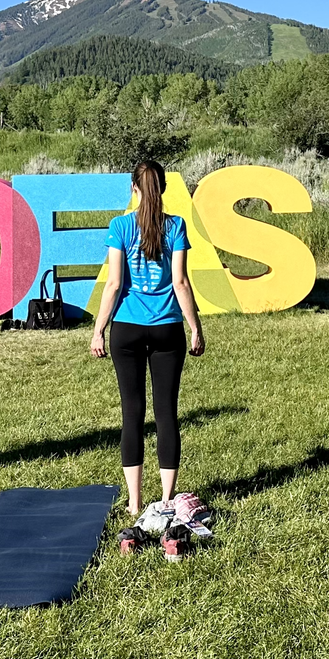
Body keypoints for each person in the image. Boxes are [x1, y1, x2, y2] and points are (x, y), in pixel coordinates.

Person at [88, 160, 206, 519]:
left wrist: (99, 328)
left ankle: (135, 503)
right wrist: (195, 327)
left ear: (133, 189)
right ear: (164, 189)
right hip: (168, 329)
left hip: (126, 328)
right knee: (166, 412)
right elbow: (181, 282)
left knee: (132, 412)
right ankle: (168, 501)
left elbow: (113, 284)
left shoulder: (120, 226)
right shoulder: (176, 226)